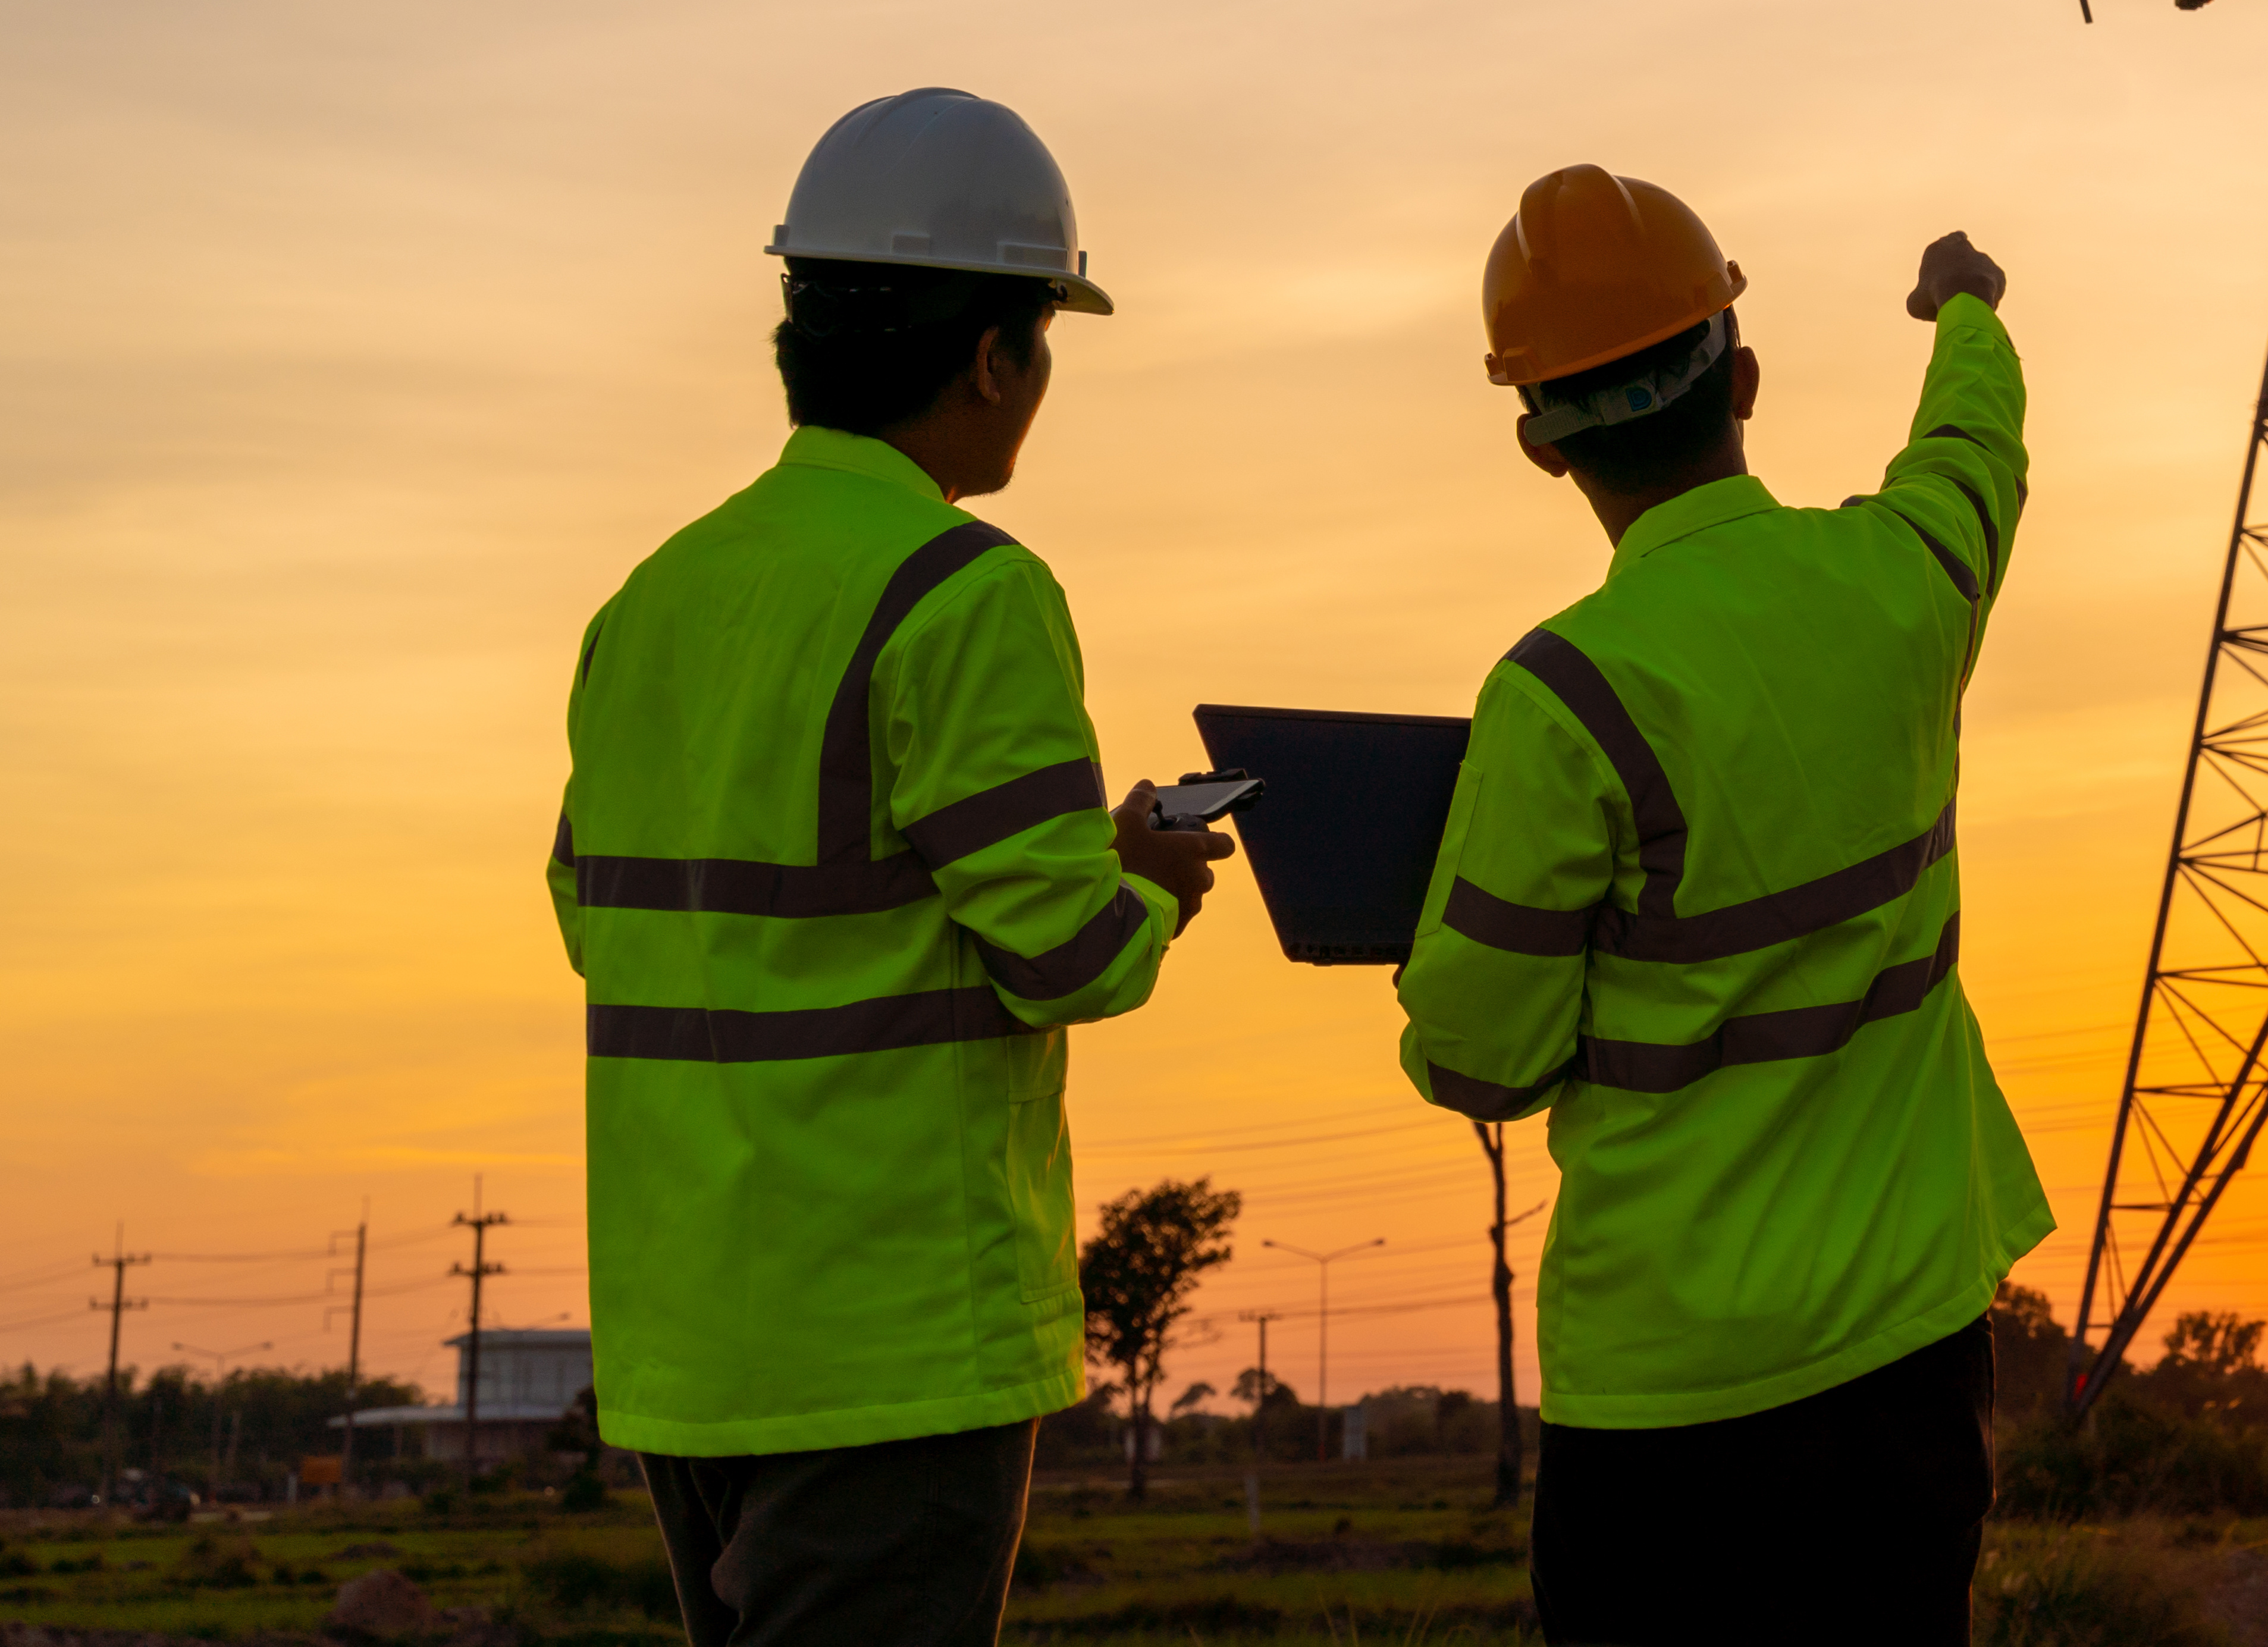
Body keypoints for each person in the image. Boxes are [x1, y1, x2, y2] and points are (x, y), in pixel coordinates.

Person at [549, 88, 1234, 1646]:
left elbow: (601, 917)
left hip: (689, 1339)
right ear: (995, 355)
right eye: (1045, 344)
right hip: (893, 1341)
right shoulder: (962, 594)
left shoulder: (652, 600)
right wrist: (1142, 875)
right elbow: (1068, 953)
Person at [1398, 166, 2050, 1645]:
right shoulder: (1904, 585)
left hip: (1666, 1394)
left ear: (1538, 443)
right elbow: (1972, 449)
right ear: (1741, 373)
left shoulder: (1558, 698)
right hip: (1905, 1362)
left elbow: (1481, 1061)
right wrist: (1966, 307)